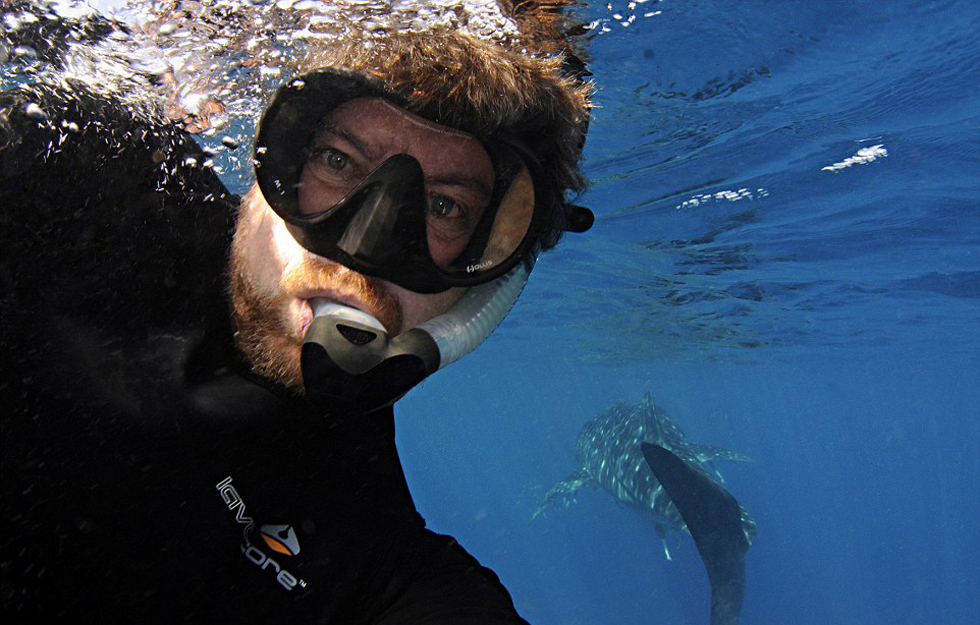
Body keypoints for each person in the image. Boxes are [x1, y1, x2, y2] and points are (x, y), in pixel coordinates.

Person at [0, 3, 592, 623]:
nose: (366, 249)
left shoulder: (373, 555)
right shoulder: (74, 183)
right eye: (337, 162)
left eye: (444, 207)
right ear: (269, 161)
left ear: (485, 281)